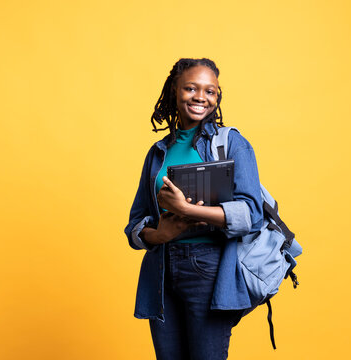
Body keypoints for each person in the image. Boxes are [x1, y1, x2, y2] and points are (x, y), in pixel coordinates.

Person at [124, 58, 264, 360]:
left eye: (210, 91)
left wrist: (187, 210)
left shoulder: (232, 143)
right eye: (191, 88)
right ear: (175, 90)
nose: (201, 97)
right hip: (160, 270)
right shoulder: (158, 152)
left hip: (210, 268)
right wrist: (159, 235)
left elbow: (252, 215)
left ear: (217, 97)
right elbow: (134, 224)